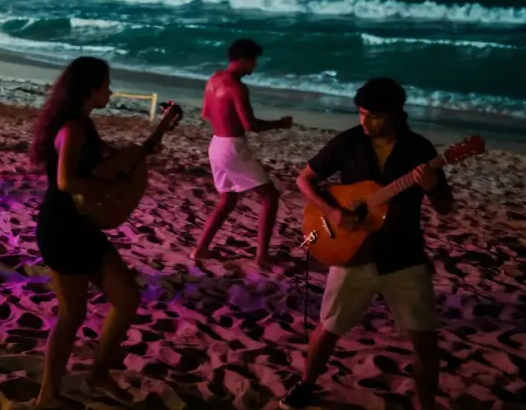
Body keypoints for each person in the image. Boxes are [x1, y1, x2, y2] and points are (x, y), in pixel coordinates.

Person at [282, 78, 453, 410]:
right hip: (352, 253)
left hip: (403, 256)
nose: (364, 122)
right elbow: (304, 179)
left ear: (394, 114)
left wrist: (432, 187)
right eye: (361, 113)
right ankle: (305, 385)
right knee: (328, 328)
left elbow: (445, 207)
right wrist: (331, 211)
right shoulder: (349, 142)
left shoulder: (419, 150)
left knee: (425, 341)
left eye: (373, 116)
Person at [32, 57, 179, 407]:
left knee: (127, 299)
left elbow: (110, 164)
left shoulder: (84, 124)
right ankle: (47, 396)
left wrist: (150, 143)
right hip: (63, 228)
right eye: (106, 85)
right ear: (90, 89)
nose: (110, 91)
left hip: (81, 226)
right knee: (71, 316)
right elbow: (68, 181)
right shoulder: (73, 127)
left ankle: (98, 373)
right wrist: (110, 192)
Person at [190, 38, 292, 269]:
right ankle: (262, 256)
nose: (255, 66)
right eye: (254, 61)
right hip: (232, 147)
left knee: (227, 199)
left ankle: (201, 249)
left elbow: (206, 113)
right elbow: (251, 125)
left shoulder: (214, 79)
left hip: (215, 143)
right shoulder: (237, 87)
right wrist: (280, 124)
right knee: (269, 197)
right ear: (245, 60)